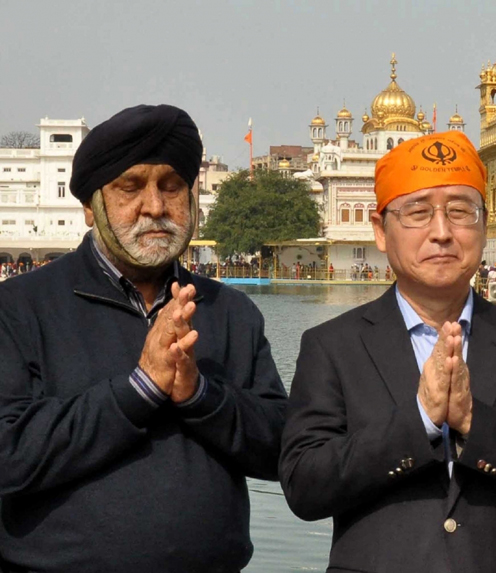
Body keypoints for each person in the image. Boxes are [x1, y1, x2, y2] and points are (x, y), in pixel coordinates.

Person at [279, 131, 496, 573]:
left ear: (484, 226)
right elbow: (304, 487)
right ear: (380, 230)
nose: (443, 233)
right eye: (418, 213)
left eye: (460, 211)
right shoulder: (334, 346)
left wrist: (474, 423)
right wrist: (420, 420)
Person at [0, 104, 288, 572]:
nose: (155, 206)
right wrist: (140, 390)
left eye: (171, 186)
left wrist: (201, 397)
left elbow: (280, 451)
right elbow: (9, 455)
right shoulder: (20, 308)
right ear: (91, 208)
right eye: (130, 187)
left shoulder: (231, 313)